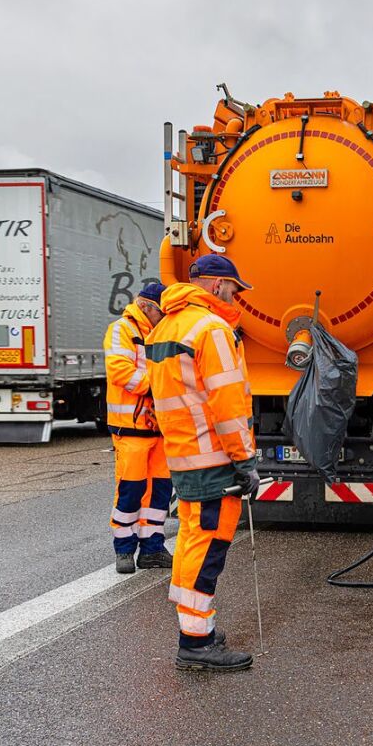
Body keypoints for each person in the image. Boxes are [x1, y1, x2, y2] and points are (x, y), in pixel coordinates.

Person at [145, 254, 260, 672]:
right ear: (215, 286)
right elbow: (226, 403)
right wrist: (245, 458)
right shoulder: (211, 329)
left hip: (184, 455)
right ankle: (195, 642)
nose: (237, 296)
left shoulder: (166, 327)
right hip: (214, 457)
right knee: (207, 547)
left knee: (192, 543)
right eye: (234, 288)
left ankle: (198, 628)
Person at [104, 283, 173, 574]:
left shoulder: (159, 331)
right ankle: (124, 550)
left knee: (159, 492)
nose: (164, 316)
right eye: (161, 311)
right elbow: (120, 371)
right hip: (130, 428)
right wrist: (159, 387)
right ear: (146, 306)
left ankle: (152, 549)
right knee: (130, 491)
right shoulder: (122, 329)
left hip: (159, 428)